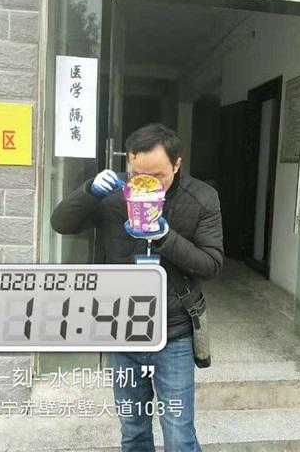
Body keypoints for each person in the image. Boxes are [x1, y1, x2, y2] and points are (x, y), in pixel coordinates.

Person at [50, 123, 224, 451]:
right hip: (121, 329)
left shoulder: (202, 198)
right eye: (137, 174)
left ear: (177, 164)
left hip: (173, 333)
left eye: (157, 176)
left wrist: (165, 237)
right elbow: (61, 223)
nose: (146, 184)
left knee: (179, 433)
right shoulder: (113, 194)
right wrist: (88, 191)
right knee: (133, 430)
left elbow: (211, 264)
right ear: (128, 162)